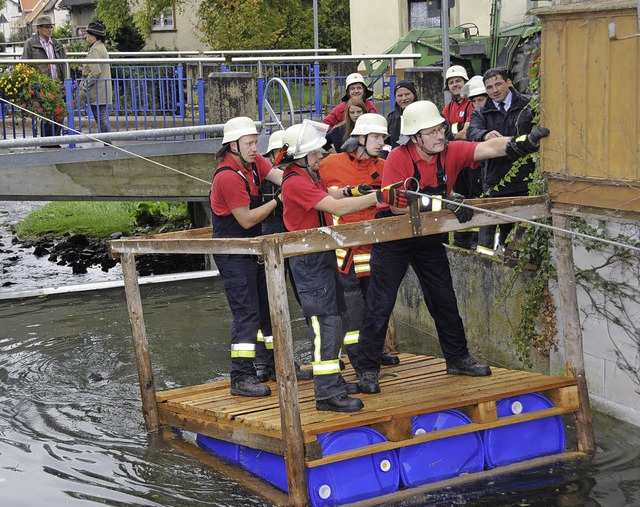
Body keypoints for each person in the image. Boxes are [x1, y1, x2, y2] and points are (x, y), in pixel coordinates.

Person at [353, 100, 549, 394]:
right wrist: (445, 202)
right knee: (380, 303)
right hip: (394, 236)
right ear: (415, 137)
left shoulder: (452, 152)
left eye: (440, 129)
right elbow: (396, 209)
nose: (439, 136)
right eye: (431, 132)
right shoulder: (398, 158)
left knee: (444, 298)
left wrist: (525, 142)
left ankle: (457, 358)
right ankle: (368, 368)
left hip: (429, 235)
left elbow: (490, 149)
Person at [280, 119, 409, 412]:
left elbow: (333, 196)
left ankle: (333, 382)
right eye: (315, 152)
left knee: (337, 318)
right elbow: (335, 208)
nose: (321, 156)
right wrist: (377, 196)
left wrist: (354, 191)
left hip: (321, 255)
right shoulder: (296, 181)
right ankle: (326, 393)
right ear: (301, 155)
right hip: (309, 261)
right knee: (326, 323)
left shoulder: (306, 174)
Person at [209, 117, 284, 397]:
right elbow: (247, 220)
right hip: (232, 251)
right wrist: (277, 201)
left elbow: (279, 176)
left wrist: (295, 183)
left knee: (266, 307)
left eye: (256, 142)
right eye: (250, 143)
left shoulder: (253, 164)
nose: (256, 148)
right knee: (246, 313)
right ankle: (241, 377)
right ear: (233, 146)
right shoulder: (228, 176)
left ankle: (273, 366)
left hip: (250, 249)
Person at [319, 113, 400, 367]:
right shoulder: (331, 164)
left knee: (375, 305)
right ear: (360, 138)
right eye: (376, 137)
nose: (381, 142)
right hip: (345, 253)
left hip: (375, 249)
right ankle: (357, 356)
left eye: (383, 137)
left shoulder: (385, 167)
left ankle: (373, 349)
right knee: (352, 308)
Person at [466, 68, 536, 251]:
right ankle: (485, 263)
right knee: (487, 226)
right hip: (494, 179)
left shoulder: (529, 106)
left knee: (517, 231)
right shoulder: (481, 113)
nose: (494, 90)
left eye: (498, 84)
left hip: (524, 179)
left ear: (508, 82)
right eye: (489, 87)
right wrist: (484, 134)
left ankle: (511, 259)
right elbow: (472, 131)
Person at [451, 76, 487, 250]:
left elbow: (466, 134)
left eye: (481, 99)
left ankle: (476, 240)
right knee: (465, 199)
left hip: (484, 167)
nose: (478, 104)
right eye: (475, 101)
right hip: (467, 164)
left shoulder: (488, 115)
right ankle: (463, 240)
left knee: (481, 202)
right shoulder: (473, 114)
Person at [21, 15, 67, 139]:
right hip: (42, 85)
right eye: (46, 27)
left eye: (50, 27)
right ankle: (47, 142)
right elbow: (24, 64)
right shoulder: (30, 44)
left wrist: (66, 81)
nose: (49, 30)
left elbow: (64, 64)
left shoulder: (57, 44)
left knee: (59, 114)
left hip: (58, 83)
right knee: (47, 115)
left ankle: (56, 141)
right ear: (39, 28)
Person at [79, 22, 112, 133]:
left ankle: (107, 142)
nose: (86, 38)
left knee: (101, 118)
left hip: (98, 91)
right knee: (102, 117)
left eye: (87, 35)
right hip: (102, 89)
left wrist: (85, 85)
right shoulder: (100, 47)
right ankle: (107, 142)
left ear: (93, 36)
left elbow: (95, 71)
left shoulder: (95, 50)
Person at [442, 65, 473, 141]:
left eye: (458, 81)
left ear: (466, 83)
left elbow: (466, 133)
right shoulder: (449, 107)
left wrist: (450, 137)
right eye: (451, 82)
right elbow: (441, 130)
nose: (455, 84)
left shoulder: (472, 103)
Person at [386, 79, 418, 150]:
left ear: (414, 94)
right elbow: (385, 142)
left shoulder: (425, 113)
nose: (404, 98)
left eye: (407, 94)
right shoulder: (391, 118)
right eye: (400, 95)